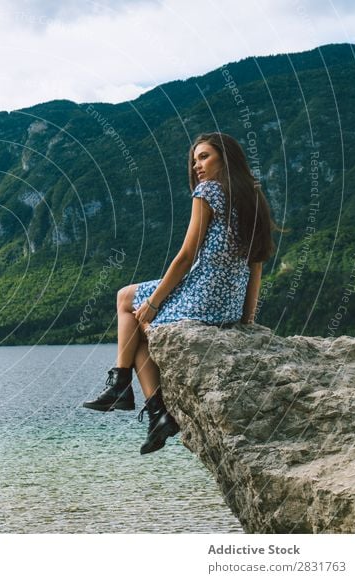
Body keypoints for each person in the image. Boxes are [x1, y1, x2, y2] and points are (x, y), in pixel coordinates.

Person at [83, 132, 277, 454]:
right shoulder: (254, 197)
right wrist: (246, 320)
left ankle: (129, 390)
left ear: (225, 158)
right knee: (135, 315)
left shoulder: (208, 192)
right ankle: (150, 409)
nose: (197, 166)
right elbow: (257, 264)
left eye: (205, 157)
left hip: (201, 296)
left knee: (125, 301)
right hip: (226, 305)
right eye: (194, 160)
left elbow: (187, 257)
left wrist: (155, 302)